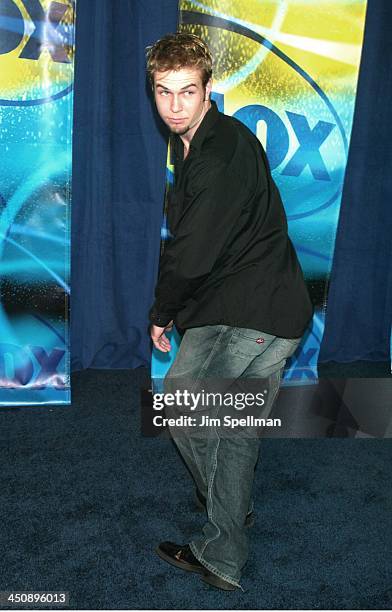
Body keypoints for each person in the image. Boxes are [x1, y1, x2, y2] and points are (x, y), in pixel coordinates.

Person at [146, 32, 313, 591]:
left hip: (252, 313)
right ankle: (229, 519)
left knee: (183, 403)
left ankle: (222, 541)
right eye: (163, 92)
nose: (173, 106)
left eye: (186, 92)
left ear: (208, 88)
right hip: (272, 305)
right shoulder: (205, 139)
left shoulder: (217, 154)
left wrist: (162, 312)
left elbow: (190, 253)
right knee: (235, 428)